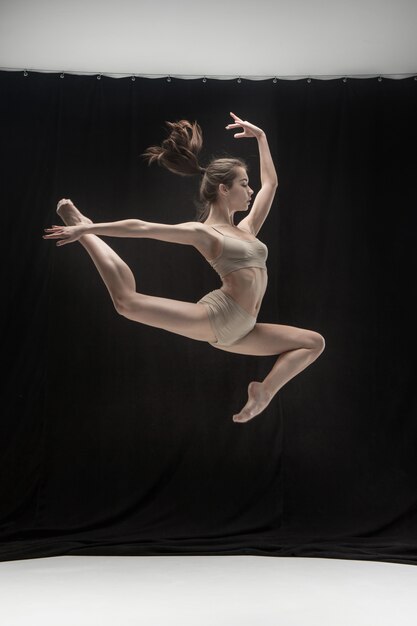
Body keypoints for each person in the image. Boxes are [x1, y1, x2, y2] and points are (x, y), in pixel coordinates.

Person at [43, 112, 325, 423]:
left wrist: (261, 137)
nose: (250, 190)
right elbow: (143, 228)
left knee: (312, 342)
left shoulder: (247, 229)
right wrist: (88, 230)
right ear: (223, 189)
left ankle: (264, 393)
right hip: (220, 316)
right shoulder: (204, 233)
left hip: (244, 330)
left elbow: (271, 183)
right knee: (127, 303)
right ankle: (83, 226)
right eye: (244, 184)